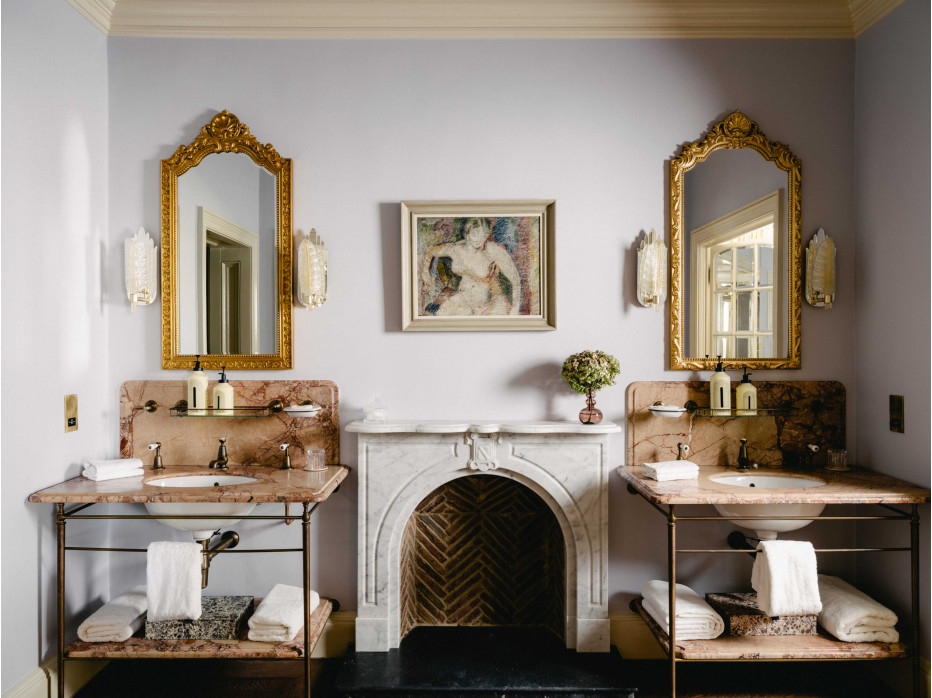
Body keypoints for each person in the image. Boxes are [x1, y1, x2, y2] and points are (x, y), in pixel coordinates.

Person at [419, 218, 521, 316]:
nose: (479, 239)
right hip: (463, 301)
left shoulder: (492, 250)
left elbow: (515, 280)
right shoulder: (456, 249)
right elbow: (430, 251)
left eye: (484, 235)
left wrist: (515, 310)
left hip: (489, 304)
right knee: (438, 317)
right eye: (475, 233)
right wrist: (425, 272)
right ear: (467, 232)